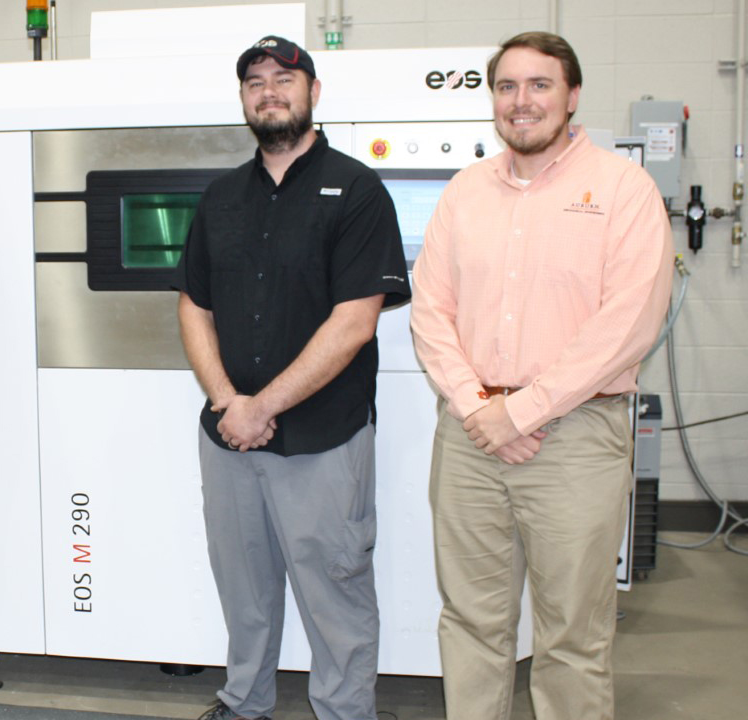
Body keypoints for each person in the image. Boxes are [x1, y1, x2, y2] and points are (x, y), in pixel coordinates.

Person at [410, 31, 674, 720]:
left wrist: (522, 412)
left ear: (572, 96)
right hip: (469, 437)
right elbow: (430, 311)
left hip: (577, 436)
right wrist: (477, 407)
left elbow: (626, 325)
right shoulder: (465, 193)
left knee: (572, 636)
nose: (520, 102)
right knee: (470, 621)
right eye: (507, 87)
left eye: (539, 85)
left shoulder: (624, 191)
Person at [172, 35, 410, 720]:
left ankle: (342, 711)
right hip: (229, 436)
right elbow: (194, 305)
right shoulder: (220, 197)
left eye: (284, 78)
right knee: (242, 585)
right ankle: (244, 701)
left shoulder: (357, 190)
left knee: (333, 587)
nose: (269, 91)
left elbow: (354, 321)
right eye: (254, 81)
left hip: (322, 437)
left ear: (313, 92)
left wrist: (261, 405)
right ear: (243, 98)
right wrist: (228, 403)